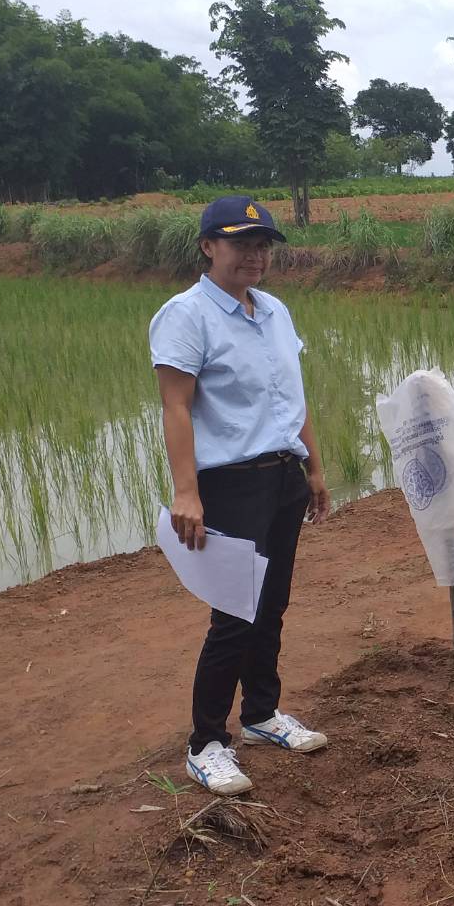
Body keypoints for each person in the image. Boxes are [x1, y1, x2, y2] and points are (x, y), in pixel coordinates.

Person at [149, 195, 331, 796]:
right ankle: (206, 743)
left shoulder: (274, 311)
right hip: (229, 482)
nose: (254, 255)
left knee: (272, 602)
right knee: (233, 615)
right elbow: (176, 406)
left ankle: (260, 715)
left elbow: (292, 400)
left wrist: (314, 469)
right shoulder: (187, 314)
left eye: (262, 245)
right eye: (240, 243)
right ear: (209, 247)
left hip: (282, 475)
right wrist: (187, 492)